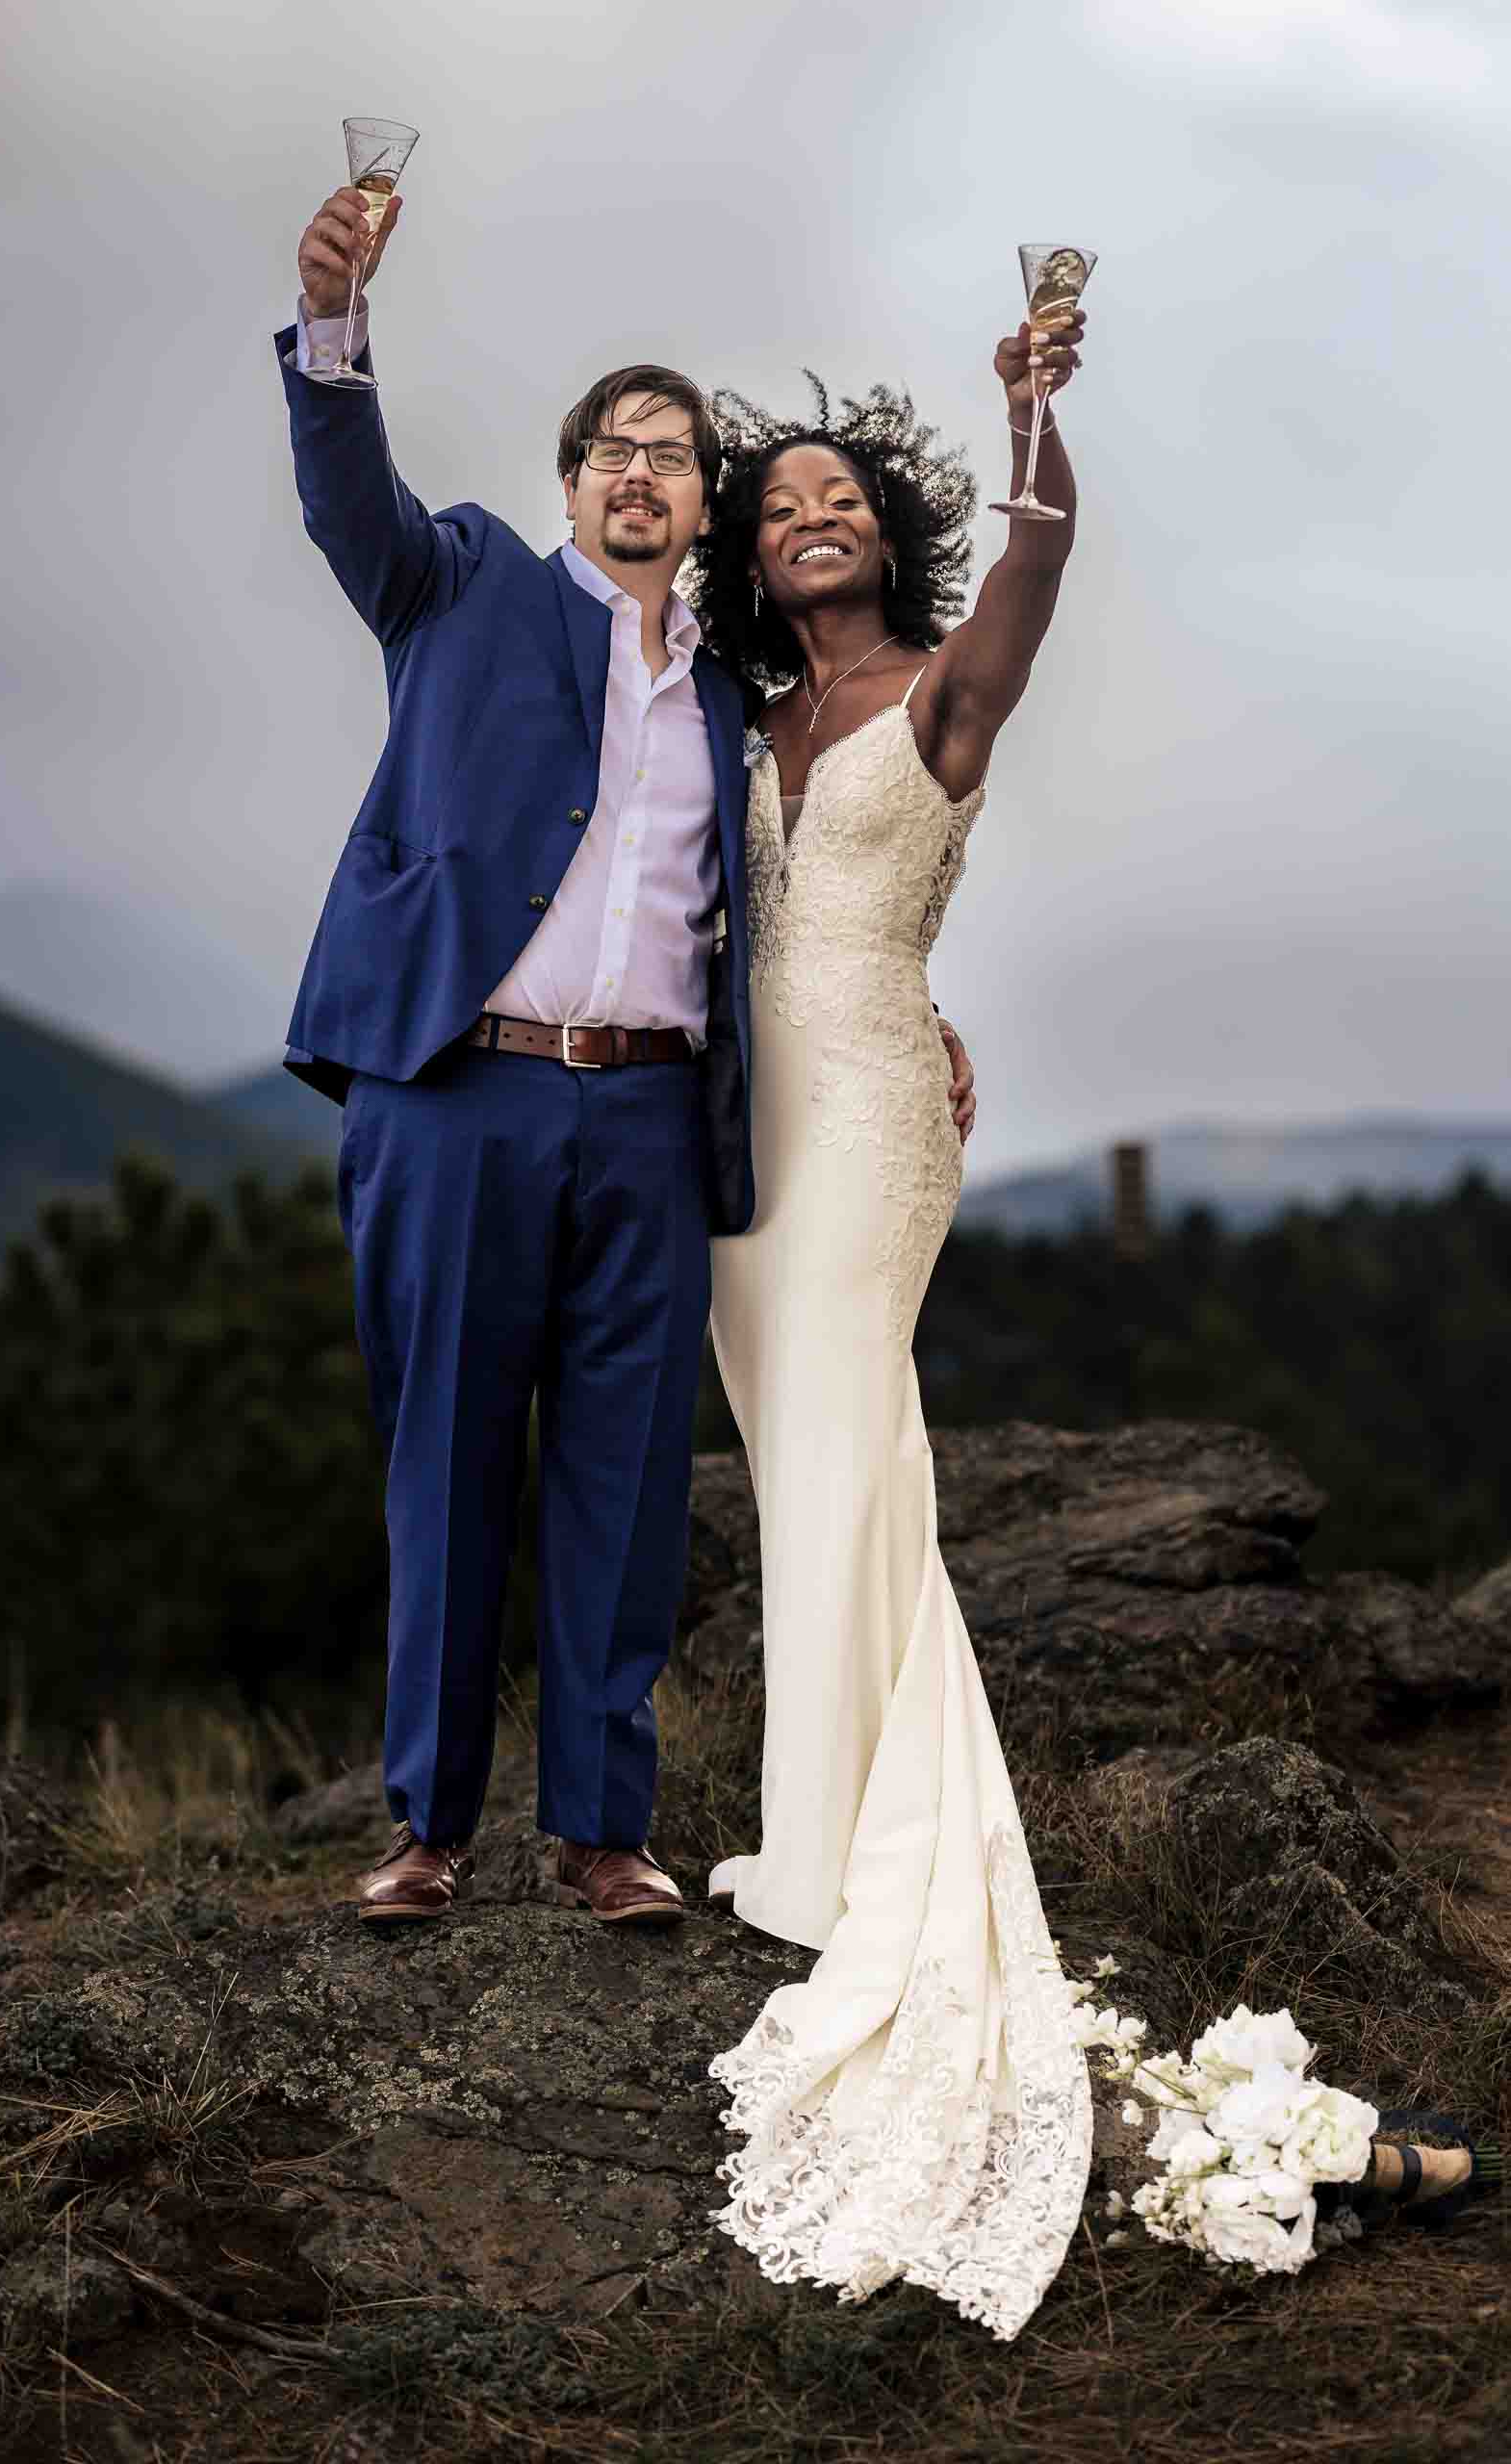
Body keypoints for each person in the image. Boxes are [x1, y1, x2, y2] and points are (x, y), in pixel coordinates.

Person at [272, 187, 978, 1931]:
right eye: (615, 449)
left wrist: (919, 1010)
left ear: (703, 504)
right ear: (573, 480)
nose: (642, 473)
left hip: (657, 1114)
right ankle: (428, 1827)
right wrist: (337, 328)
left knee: (628, 1472)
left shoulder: (733, 697)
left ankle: (605, 1833)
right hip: (460, 1094)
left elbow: (806, 893)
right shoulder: (458, 586)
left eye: (673, 454)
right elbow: (346, 495)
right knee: (447, 1460)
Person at [691, 327, 1095, 2335]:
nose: (812, 518)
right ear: (754, 555)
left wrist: (1033, 415)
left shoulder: (942, 691)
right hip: (731, 1147)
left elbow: (1039, 564)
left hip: (864, 1117)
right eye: (781, 508)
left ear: (885, 528)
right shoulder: (737, 714)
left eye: (840, 496)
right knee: (807, 1476)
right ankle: (827, 1814)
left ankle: (840, 1854)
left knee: (848, 1441)